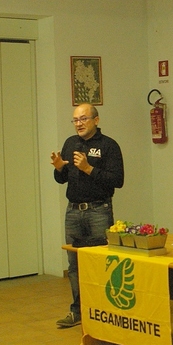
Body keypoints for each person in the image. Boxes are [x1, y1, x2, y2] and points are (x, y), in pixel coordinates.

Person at [51, 103, 124, 328]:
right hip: (73, 211)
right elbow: (61, 179)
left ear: (96, 120)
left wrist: (88, 168)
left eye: (83, 119)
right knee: (74, 265)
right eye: (75, 120)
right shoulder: (70, 143)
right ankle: (78, 311)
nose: (79, 124)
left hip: (98, 211)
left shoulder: (109, 146)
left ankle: (103, 312)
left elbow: (117, 181)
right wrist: (58, 168)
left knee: (101, 264)